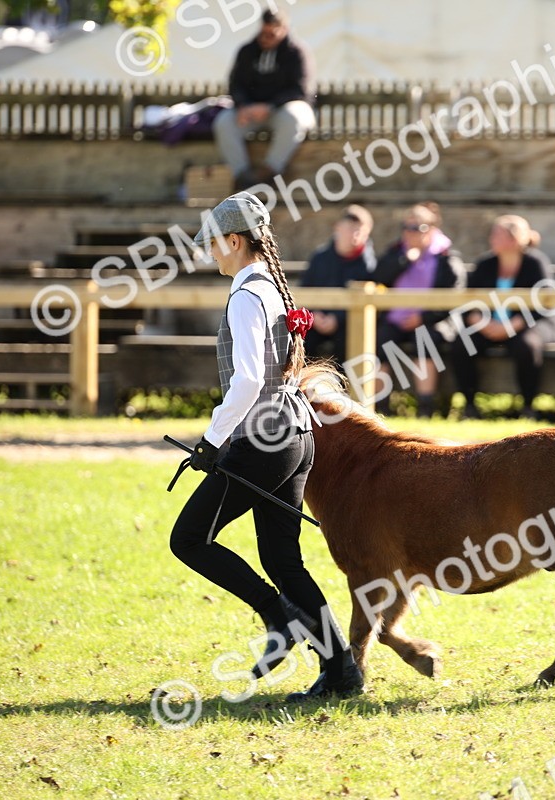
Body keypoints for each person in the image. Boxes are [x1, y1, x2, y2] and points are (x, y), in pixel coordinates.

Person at [171, 191, 363, 701]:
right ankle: (342, 671)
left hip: (263, 439)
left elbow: (247, 381)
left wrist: (212, 441)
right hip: (295, 437)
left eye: (213, 243)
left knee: (189, 539)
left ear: (235, 241)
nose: (210, 252)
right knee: (282, 560)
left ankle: (279, 618)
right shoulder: (270, 288)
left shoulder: (245, 294)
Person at [450, 216, 555, 420]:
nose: (491, 238)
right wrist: (482, 323)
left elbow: (545, 302)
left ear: (514, 239)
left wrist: (513, 324)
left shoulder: (535, 263)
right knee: (461, 345)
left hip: (529, 324)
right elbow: (467, 301)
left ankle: (528, 407)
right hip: (488, 325)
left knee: (527, 346)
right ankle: (469, 407)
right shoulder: (485, 264)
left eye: (497, 234)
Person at [373, 202, 467, 417]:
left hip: (434, 321)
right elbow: (378, 278)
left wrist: (422, 317)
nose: (410, 233)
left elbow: (452, 297)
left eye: (417, 228)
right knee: (380, 339)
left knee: (424, 340)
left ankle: (425, 407)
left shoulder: (447, 257)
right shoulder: (396, 252)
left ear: (431, 229)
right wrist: (404, 261)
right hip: (396, 318)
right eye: (407, 227)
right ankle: (380, 407)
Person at [215, 10, 316, 191]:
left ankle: (270, 171)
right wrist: (243, 106)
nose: (266, 39)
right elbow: (235, 85)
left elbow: (301, 90)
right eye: (263, 33)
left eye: (271, 34)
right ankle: (243, 176)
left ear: (284, 30)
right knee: (224, 122)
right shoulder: (247, 51)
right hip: (251, 112)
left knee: (292, 118)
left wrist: (270, 106)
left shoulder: (297, 53)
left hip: (282, 110)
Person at [301, 205, 376, 365]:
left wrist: (337, 319)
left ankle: (345, 388)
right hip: (316, 320)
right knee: (300, 340)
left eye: (360, 231)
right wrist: (314, 316)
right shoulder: (319, 258)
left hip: (349, 323)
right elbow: (304, 291)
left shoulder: (369, 266)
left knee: (351, 340)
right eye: (350, 229)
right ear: (338, 228)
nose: (355, 236)